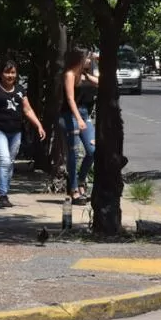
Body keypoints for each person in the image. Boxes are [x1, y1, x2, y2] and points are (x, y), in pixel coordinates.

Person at [0, 58, 46, 208]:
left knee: (10, 163)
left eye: (13, 72)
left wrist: (38, 125)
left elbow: (27, 109)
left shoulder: (20, 90)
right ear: (0, 74)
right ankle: (2, 194)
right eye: (7, 72)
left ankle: (5, 193)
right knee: (4, 161)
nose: (10, 76)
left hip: (15, 132)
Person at [60, 49, 97, 204]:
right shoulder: (70, 74)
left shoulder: (85, 75)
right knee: (74, 154)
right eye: (88, 58)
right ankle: (74, 190)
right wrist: (78, 118)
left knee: (93, 150)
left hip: (84, 115)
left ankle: (81, 180)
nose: (89, 61)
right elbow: (70, 99)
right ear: (80, 59)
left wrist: (96, 63)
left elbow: (102, 82)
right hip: (70, 115)